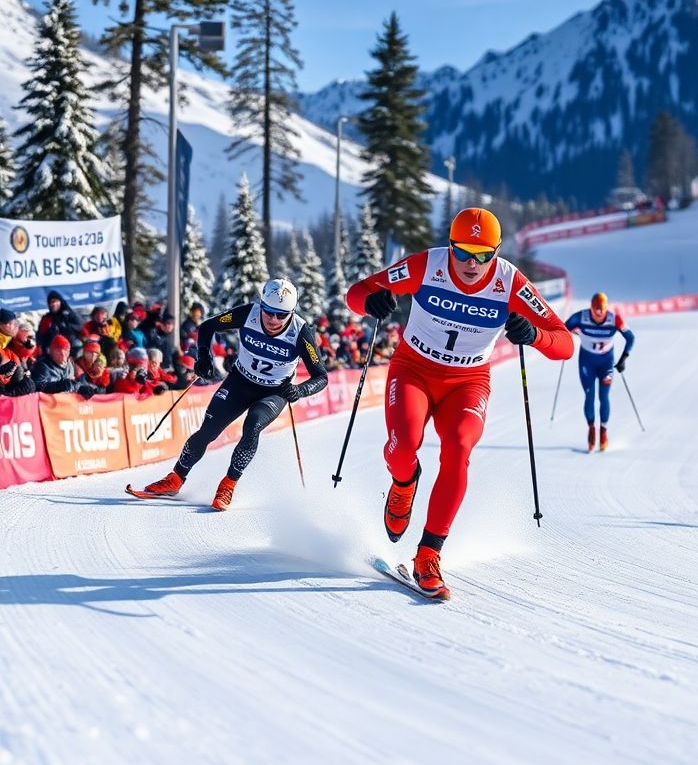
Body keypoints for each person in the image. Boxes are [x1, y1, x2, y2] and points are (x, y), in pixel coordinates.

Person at [346, 207, 573, 599]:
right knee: (403, 449)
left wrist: (534, 334)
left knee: (459, 446)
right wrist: (373, 304)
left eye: (484, 255)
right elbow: (357, 292)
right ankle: (404, 483)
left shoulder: (511, 283)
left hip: (467, 381)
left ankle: (429, 554)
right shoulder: (426, 265)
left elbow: (564, 343)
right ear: (449, 246)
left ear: (497, 252)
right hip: (413, 370)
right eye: (464, 251)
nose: (472, 263)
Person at [138, 278, 328, 511]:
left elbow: (321, 377)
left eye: (281, 315)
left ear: (291, 312)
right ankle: (175, 478)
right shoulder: (249, 314)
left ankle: (228, 484)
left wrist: (299, 390)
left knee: (253, 425)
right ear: (261, 305)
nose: (273, 319)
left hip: (274, 391)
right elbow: (208, 326)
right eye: (269, 312)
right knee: (208, 429)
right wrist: (204, 356)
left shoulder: (301, 332)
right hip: (240, 381)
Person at [564, 291, 636, 452]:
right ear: (591, 308)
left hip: (606, 363)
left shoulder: (614, 319)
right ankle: (592, 428)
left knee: (604, 396)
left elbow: (630, 338)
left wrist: (624, 358)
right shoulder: (580, 317)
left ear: (606, 309)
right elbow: (561, 328)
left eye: (602, 310)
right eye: (596, 310)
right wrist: (564, 343)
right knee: (589, 395)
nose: (599, 314)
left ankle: (603, 430)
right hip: (587, 362)